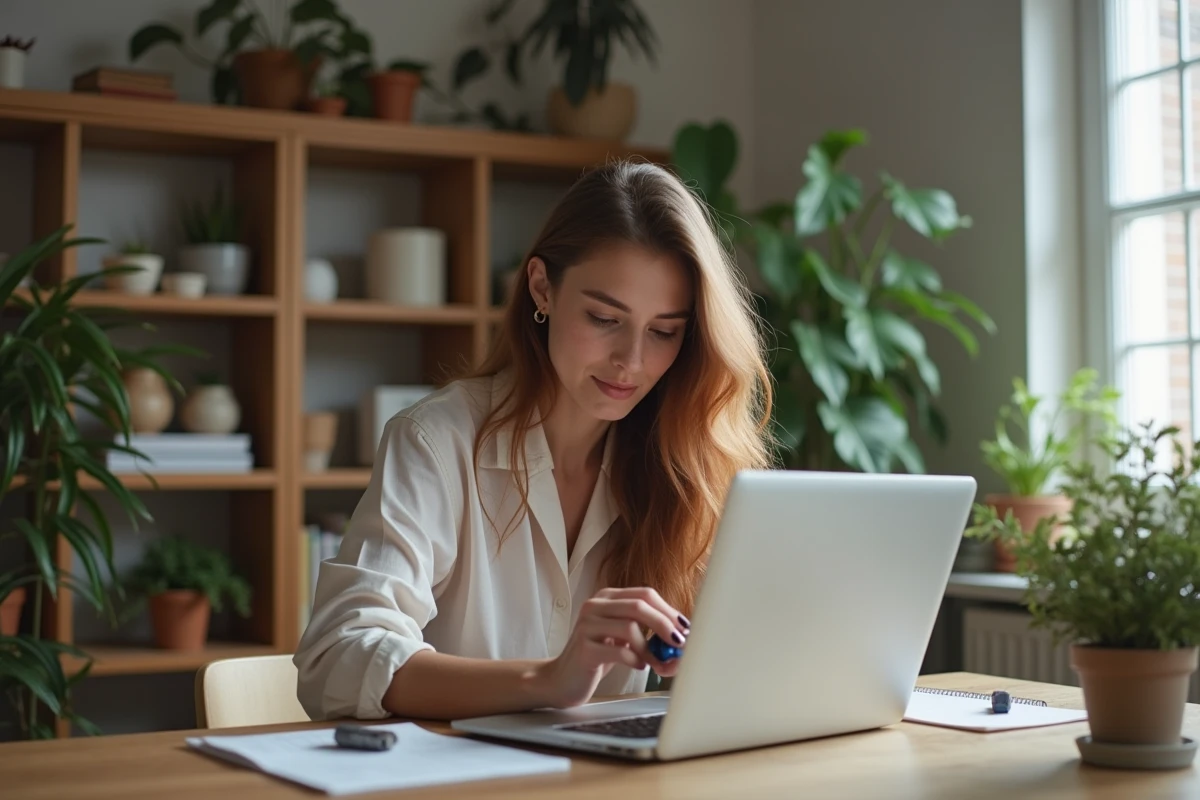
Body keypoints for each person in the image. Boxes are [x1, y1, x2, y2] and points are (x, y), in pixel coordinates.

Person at [294, 159, 775, 722]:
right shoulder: (437, 442)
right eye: (603, 318)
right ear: (542, 288)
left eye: (665, 331)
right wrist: (548, 679)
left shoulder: (683, 468)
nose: (632, 361)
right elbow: (339, 656)